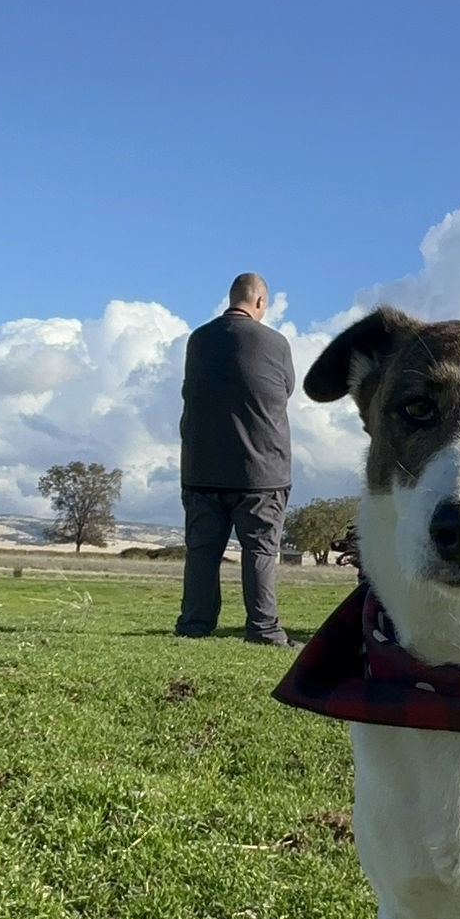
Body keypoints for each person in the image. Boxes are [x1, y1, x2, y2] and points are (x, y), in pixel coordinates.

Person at [175, 271, 295, 643]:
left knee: (202, 552)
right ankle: (263, 628)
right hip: (261, 471)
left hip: (202, 467)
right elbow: (285, 390)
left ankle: (194, 625)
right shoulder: (275, 343)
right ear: (260, 303)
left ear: (232, 298)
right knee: (259, 551)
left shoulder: (199, 340)